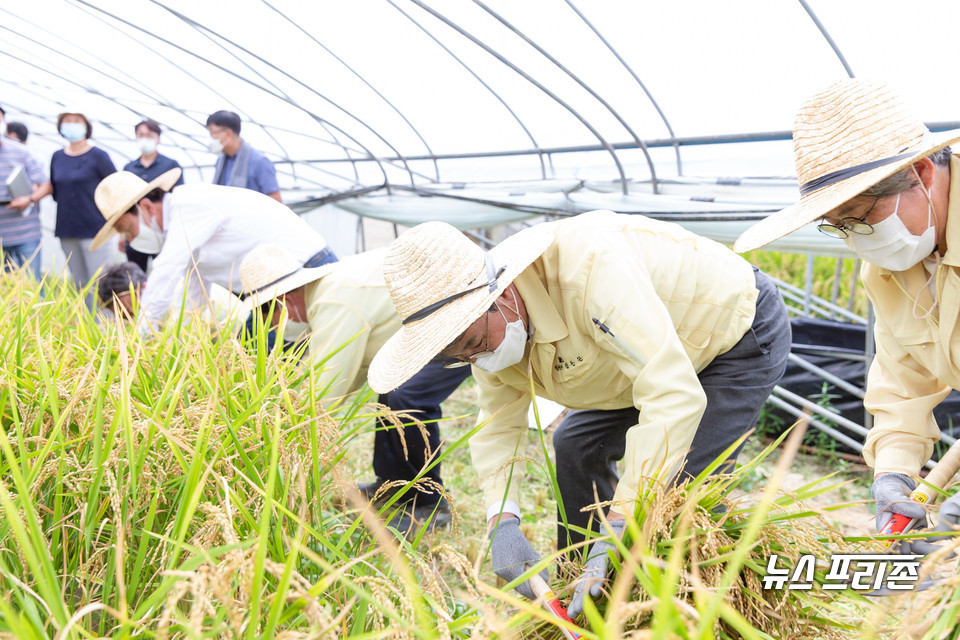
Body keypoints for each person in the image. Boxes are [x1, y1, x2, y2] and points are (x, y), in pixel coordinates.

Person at [367, 211, 791, 616]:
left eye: (476, 340)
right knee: (575, 443)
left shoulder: (592, 273)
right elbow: (498, 422)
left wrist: (623, 520)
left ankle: (672, 613)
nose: (476, 358)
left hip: (729, 333)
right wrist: (503, 519)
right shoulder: (482, 341)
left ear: (502, 294)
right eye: (459, 356)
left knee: (675, 497)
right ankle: (580, 591)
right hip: (637, 361)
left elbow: (672, 395)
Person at [734, 78, 960, 551]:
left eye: (859, 215)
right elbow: (903, 381)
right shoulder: (886, 273)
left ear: (921, 172)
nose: (857, 238)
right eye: (839, 228)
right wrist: (895, 472)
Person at [240, 243, 472, 531]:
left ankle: (428, 505)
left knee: (406, 395)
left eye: (269, 316)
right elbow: (352, 370)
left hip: (461, 321)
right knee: (390, 383)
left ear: (283, 302)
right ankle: (393, 486)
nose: (275, 325)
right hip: (425, 325)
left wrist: (281, 444)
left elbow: (322, 392)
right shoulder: (327, 295)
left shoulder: (335, 301)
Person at [89, 169, 334, 335]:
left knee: (263, 366)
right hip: (271, 293)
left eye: (126, 229)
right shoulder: (186, 230)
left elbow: (166, 269)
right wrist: (173, 342)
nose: (129, 240)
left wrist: (140, 337)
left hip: (305, 273)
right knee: (251, 360)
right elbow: (195, 294)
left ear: (145, 208)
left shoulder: (188, 206)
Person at [50, 109, 117, 308]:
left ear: (86, 126)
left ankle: (106, 329)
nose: (71, 124)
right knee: (80, 283)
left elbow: (114, 187)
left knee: (101, 282)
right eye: (67, 120)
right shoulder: (57, 157)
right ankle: (86, 328)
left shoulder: (98, 156)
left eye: (77, 120)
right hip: (67, 229)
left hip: (95, 229)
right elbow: (56, 190)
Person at [122, 119, 185, 272]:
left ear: (158, 138)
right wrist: (122, 236)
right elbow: (124, 204)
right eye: (141, 135)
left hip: (162, 227)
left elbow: (179, 197)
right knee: (136, 273)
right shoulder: (129, 168)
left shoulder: (170, 166)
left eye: (149, 135)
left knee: (164, 269)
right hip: (137, 228)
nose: (145, 138)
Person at [0, 106, 52, 279]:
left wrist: (29, 199)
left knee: (32, 284)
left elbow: (46, 185)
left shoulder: (20, 152)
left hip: (26, 234)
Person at [206, 110, 281, 202]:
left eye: (213, 133)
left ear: (229, 133)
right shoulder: (221, 160)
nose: (211, 138)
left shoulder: (260, 162)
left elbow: (276, 200)